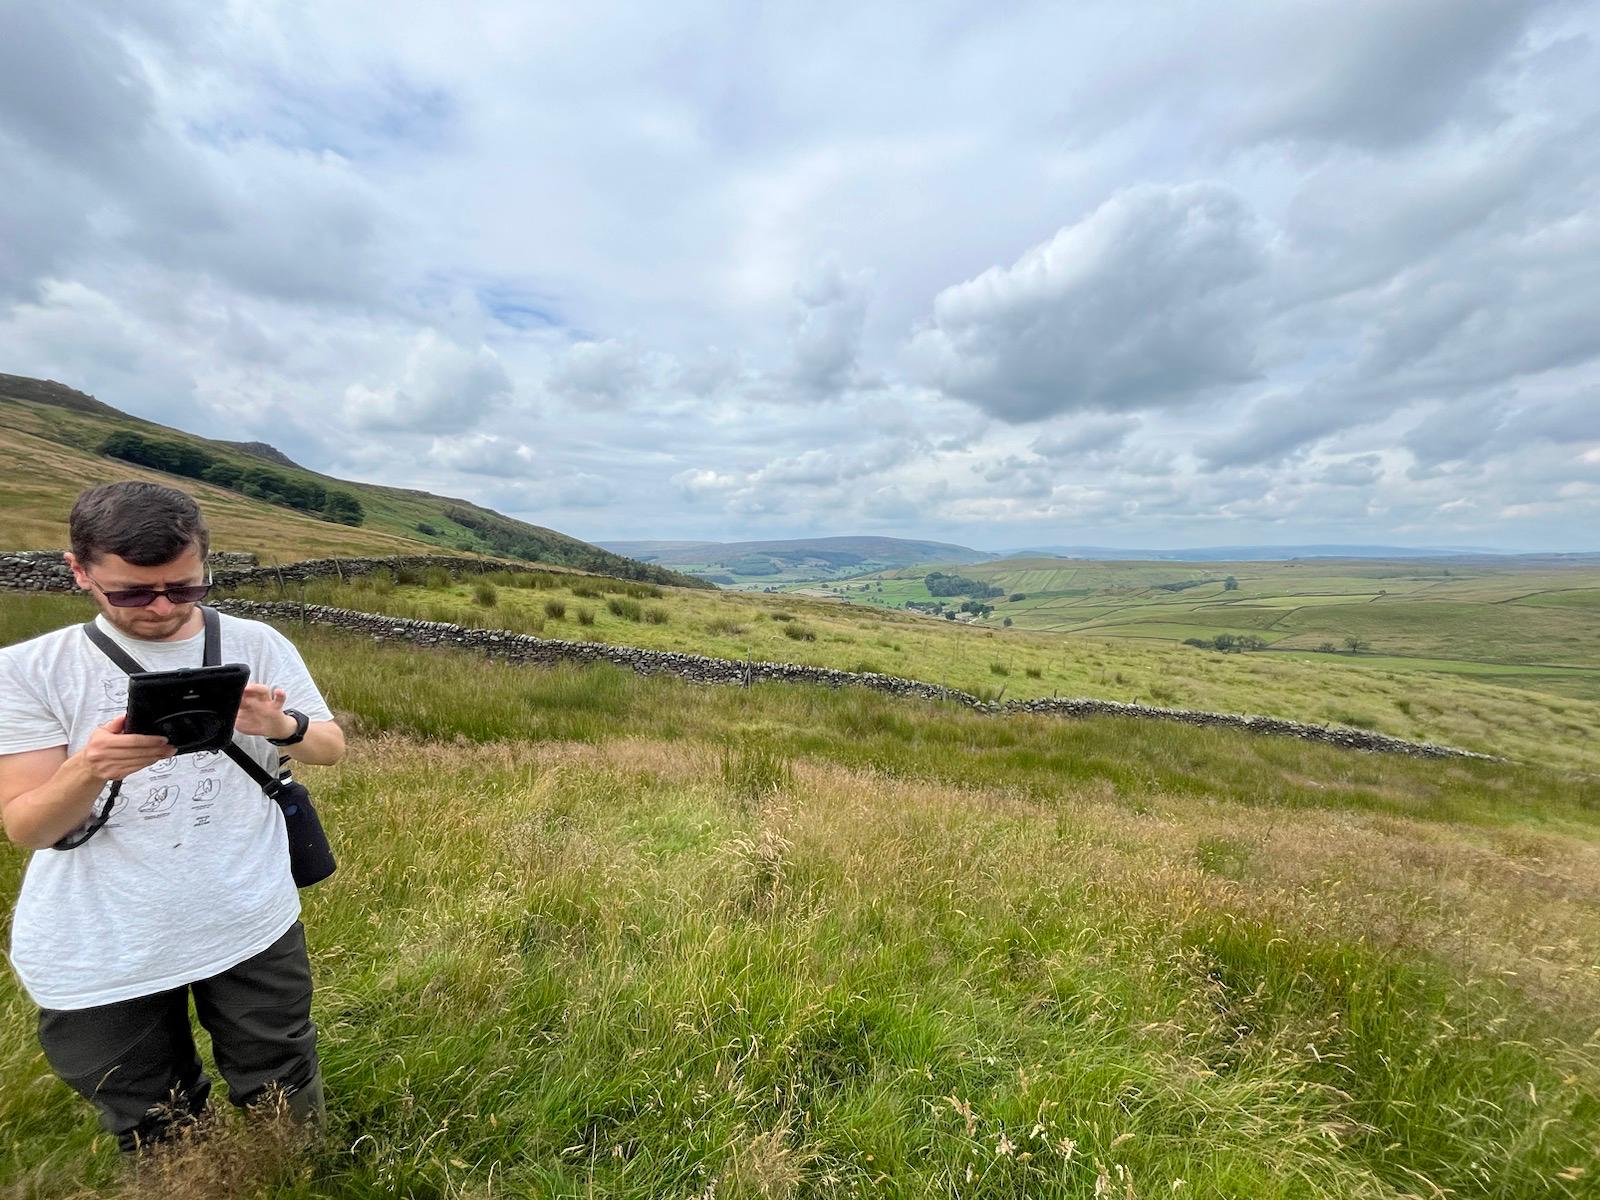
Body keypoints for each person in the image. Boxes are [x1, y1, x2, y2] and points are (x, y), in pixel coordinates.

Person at [0, 481, 346, 1152]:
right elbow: (28, 829)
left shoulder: (257, 641)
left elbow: (329, 747)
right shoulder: (26, 672)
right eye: (131, 593)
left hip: (250, 916)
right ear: (78, 571)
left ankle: (292, 1175)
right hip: (101, 944)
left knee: (283, 1079)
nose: (161, 608)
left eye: (185, 589)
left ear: (205, 564)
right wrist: (89, 765)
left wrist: (280, 723)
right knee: (152, 1120)